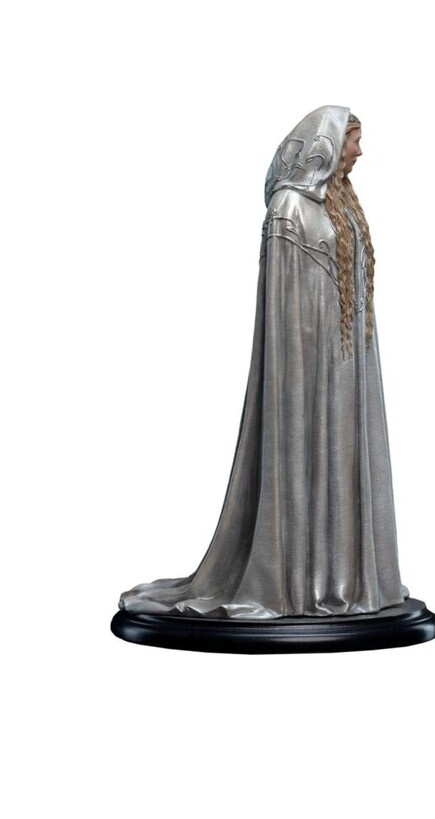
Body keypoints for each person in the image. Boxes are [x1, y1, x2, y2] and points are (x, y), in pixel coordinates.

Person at [119, 106, 408, 619]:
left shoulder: (340, 201)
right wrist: (299, 365)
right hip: (305, 365)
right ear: (326, 146)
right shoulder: (288, 209)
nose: (359, 152)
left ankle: (342, 576)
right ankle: (293, 581)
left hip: (344, 365)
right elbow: (284, 303)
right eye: (353, 141)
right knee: (306, 449)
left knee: (342, 454)